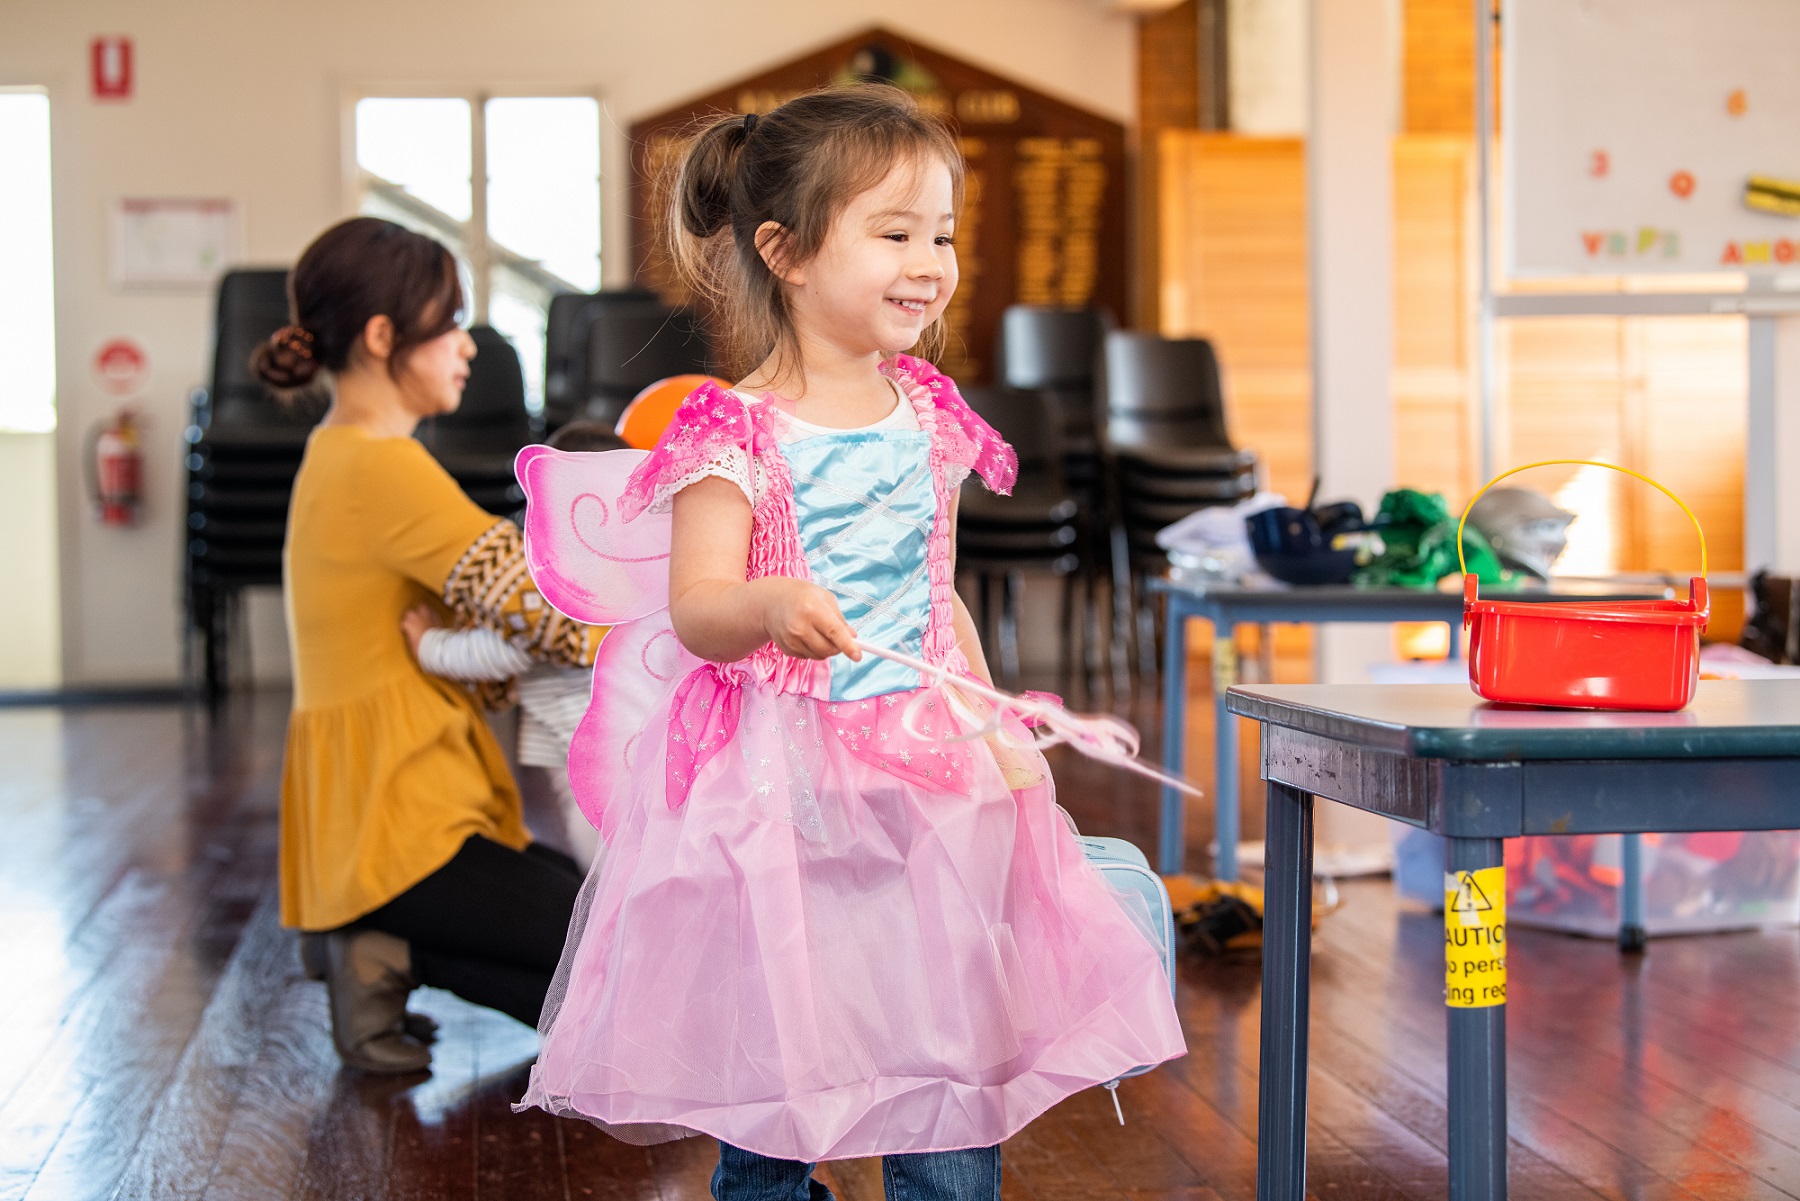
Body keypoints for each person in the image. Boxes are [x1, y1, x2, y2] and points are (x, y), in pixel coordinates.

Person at [514, 87, 1185, 1200]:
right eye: (894, 233)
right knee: (786, 1032)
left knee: (952, 1028)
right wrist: (771, 606)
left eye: (943, 235)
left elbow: (936, 596)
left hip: (929, 762)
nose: (930, 262)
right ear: (784, 250)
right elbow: (698, 606)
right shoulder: (731, 428)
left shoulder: (928, 412)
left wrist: (994, 723)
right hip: (784, 780)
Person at [260, 217, 597, 1074]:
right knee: (625, 966)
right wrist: (687, 604)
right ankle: (383, 938)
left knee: (609, 945)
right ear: (382, 338)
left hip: (387, 806)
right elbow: (555, 611)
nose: (468, 348)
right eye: (449, 323)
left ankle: (384, 944)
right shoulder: (384, 468)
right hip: (402, 818)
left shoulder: (337, 455)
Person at [402, 420, 631, 867]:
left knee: (603, 866)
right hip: (628, 744)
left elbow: (499, 652)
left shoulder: (558, 591)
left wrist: (429, 645)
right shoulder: (625, 578)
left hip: (589, 759)